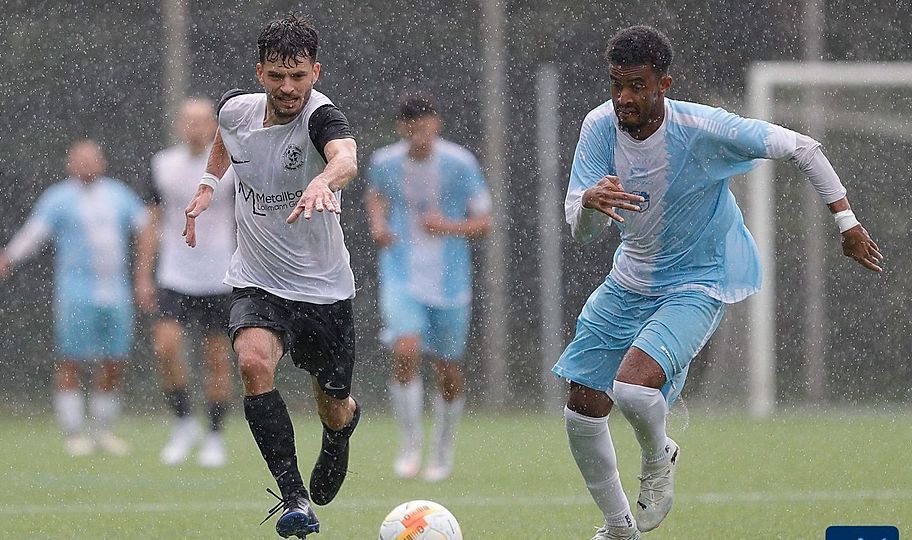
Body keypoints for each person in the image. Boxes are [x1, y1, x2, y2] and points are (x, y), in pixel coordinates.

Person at [553, 26, 882, 540]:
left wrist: (847, 224)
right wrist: (590, 205)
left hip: (700, 280)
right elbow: (583, 228)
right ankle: (620, 529)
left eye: (637, 86)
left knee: (633, 390)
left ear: (664, 83)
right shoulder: (598, 126)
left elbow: (804, 148)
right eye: (616, 84)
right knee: (581, 411)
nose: (624, 98)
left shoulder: (702, 127)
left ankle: (660, 454)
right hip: (629, 278)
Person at [181, 13, 360, 539]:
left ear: (315, 73)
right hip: (257, 280)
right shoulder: (237, 110)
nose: (288, 88)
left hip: (325, 290)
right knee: (253, 362)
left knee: (332, 403)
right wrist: (211, 183)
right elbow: (225, 137)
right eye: (277, 76)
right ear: (260, 72)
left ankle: (341, 429)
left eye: (298, 77)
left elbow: (345, 157)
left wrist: (324, 180)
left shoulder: (323, 119)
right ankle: (294, 498)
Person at [0, 139, 151, 458]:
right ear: (70, 164)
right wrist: (9, 256)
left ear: (102, 162)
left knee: (114, 361)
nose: (87, 165)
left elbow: (147, 227)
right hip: (76, 292)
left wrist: (147, 273)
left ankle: (102, 431)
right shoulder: (58, 198)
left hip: (116, 293)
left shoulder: (118, 195)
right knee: (71, 360)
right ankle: (73, 433)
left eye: (92, 159)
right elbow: (34, 233)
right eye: (80, 160)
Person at [366, 93, 491, 482]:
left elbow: (484, 221)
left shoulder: (460, 164)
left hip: (451, 281)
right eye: (409, 125)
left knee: (448, 368)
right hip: (401, 274)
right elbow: (375, 195)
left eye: (423, 124)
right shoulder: (384, 162)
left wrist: (448, 227)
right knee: (405, 349)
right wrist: (378, 225)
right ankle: (410, 444)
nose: (417, 132)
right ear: (400, 128)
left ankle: (442, 448)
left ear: (436, 124)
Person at [135, 98, 236, 468]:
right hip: (174, 275)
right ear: (179, 125)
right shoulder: (162, 165)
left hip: (220, 277)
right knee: (165, 348)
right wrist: (143, 275)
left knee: (217, 359)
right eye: (188, 120)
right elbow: (151, 223)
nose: (195, 127)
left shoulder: (231, 166)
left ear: (214, 125)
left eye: (202, 120)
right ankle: (182, 423)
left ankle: (214, 435)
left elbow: (249, 219)